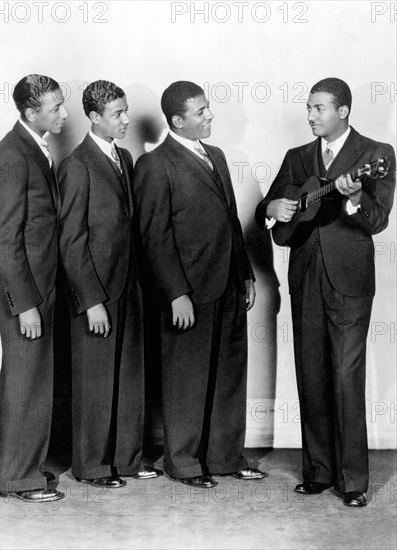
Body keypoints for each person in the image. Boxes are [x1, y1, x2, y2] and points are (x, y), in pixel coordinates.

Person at [255, 77, 396, 507]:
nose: (311, 115)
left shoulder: (376, 155)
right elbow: (274, 208)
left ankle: (353, 481)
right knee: (311, 372)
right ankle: (317, 471)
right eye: (309, 108)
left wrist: (353, 200)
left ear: (344, 111)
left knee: (346, 377)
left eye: (319, 108)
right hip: (305, 276)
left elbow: (377, 221)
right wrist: (271, 208)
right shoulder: (297, 157)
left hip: (350, 281)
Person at [133, 80, 267, 488]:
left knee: (229, 374)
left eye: (208, 108)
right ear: (178, 120)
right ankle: (184, 462)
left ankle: (225, 457)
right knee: (186, 378)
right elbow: (153, 236)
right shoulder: (154, 165)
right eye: (201, 111)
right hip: (187, 293)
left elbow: (230, 220)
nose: (210, 115)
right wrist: (177, 294)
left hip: (227, 283)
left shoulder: (218, 156)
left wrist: (244, 273)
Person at [58, 80, 162, 488]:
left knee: (130, 378)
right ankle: (93, 466)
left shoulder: (126, 160)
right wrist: (91, 301)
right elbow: (71, 242)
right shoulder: (76, 166)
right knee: (95, 383)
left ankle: (127, 458)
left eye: (126, 110)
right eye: (117, 113)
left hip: (129, 288)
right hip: (97, 294)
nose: (126, 119)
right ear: (94, 117)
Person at [0, 74, 68, 502]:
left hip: (37, 285)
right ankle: (21, 478)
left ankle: (4, 469)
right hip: (27, 291)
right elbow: (6, 239)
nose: (64, 114)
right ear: (30, 112)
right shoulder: (12, 156)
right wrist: (25, 304)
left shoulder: (33, 147)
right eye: (55, 108)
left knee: (21, 376)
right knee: (29, 381)